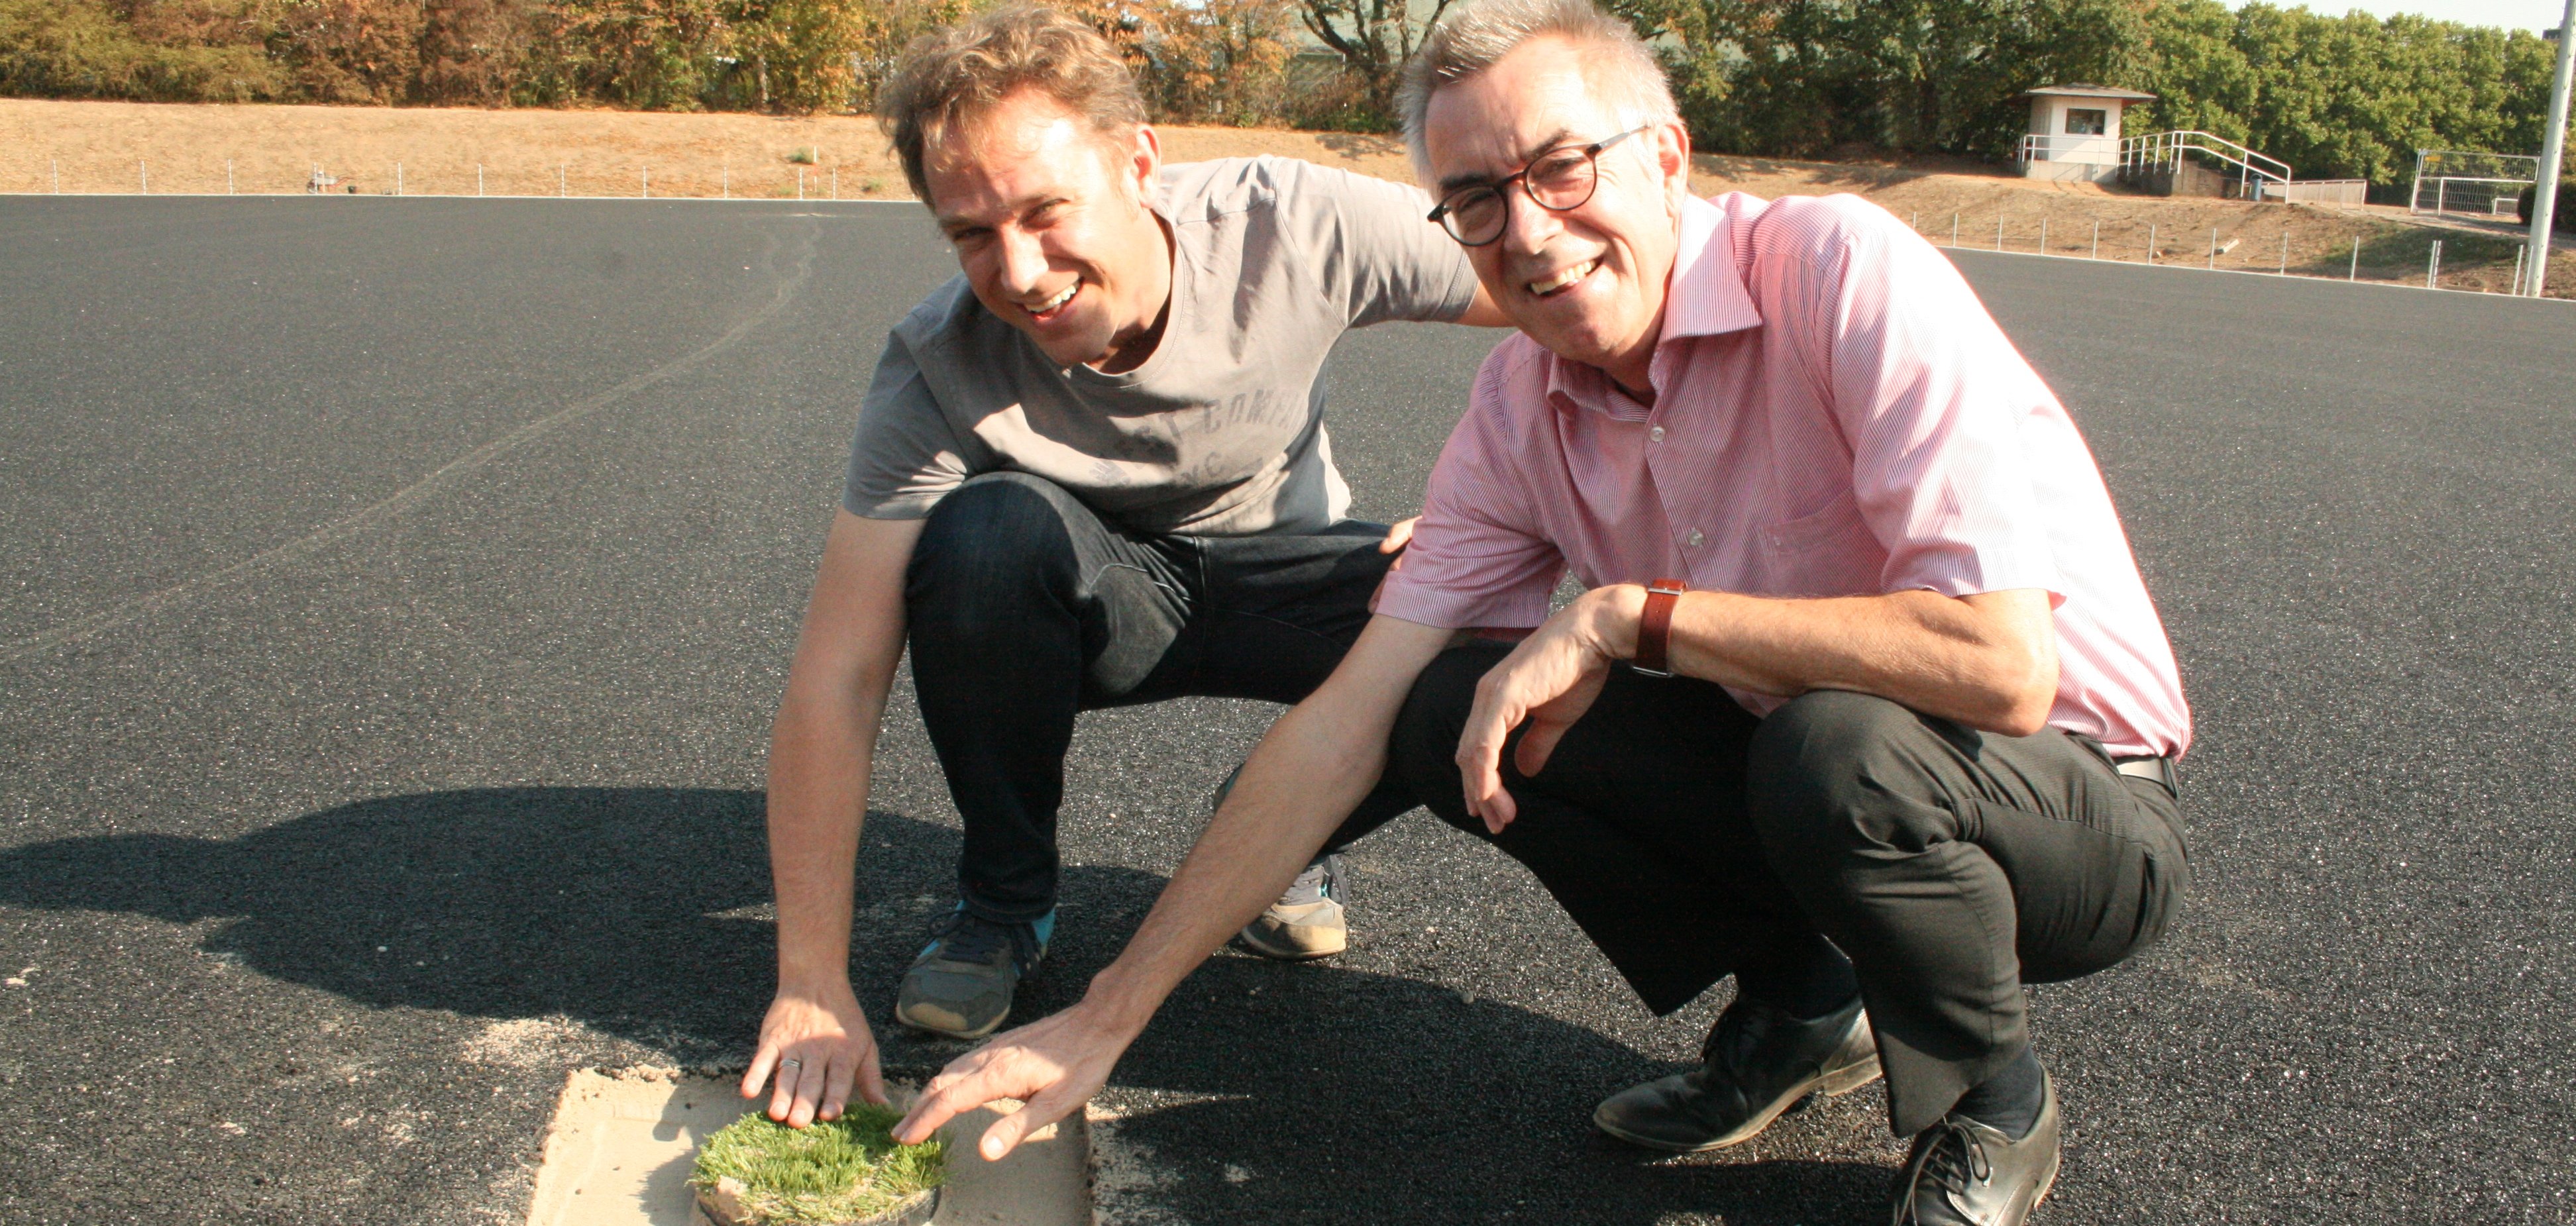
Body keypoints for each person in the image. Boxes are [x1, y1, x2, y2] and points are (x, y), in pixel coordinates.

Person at [888, 1, 2193, 1223]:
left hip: (2069, 809)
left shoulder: (1838, 270)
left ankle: (1989, 1098)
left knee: (1833, 746)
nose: (1530, 227)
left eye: (1563, 165)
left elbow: (2002, 664)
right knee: (1452, 705)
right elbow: (1346, 717)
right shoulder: (1523, 407)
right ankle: (1804, 1004)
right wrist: (1105, 1016)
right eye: (1475, 199)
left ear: (1668, 155)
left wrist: (1630, 616)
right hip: (1830, 776)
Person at [739, 4, 1509, 1130]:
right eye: (969, 232)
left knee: (1487, 617)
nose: (1020, 271)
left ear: (1138, 163)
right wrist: (808, 979)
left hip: (1294, 568)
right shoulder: (938, 364)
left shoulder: (1295, 222)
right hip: (1097, 593)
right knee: (981, 538)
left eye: (1048, 212)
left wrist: (1498, 510)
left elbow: (1571, 297)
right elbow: (839, 675)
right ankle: (1005, 902)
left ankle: (1279, 836)